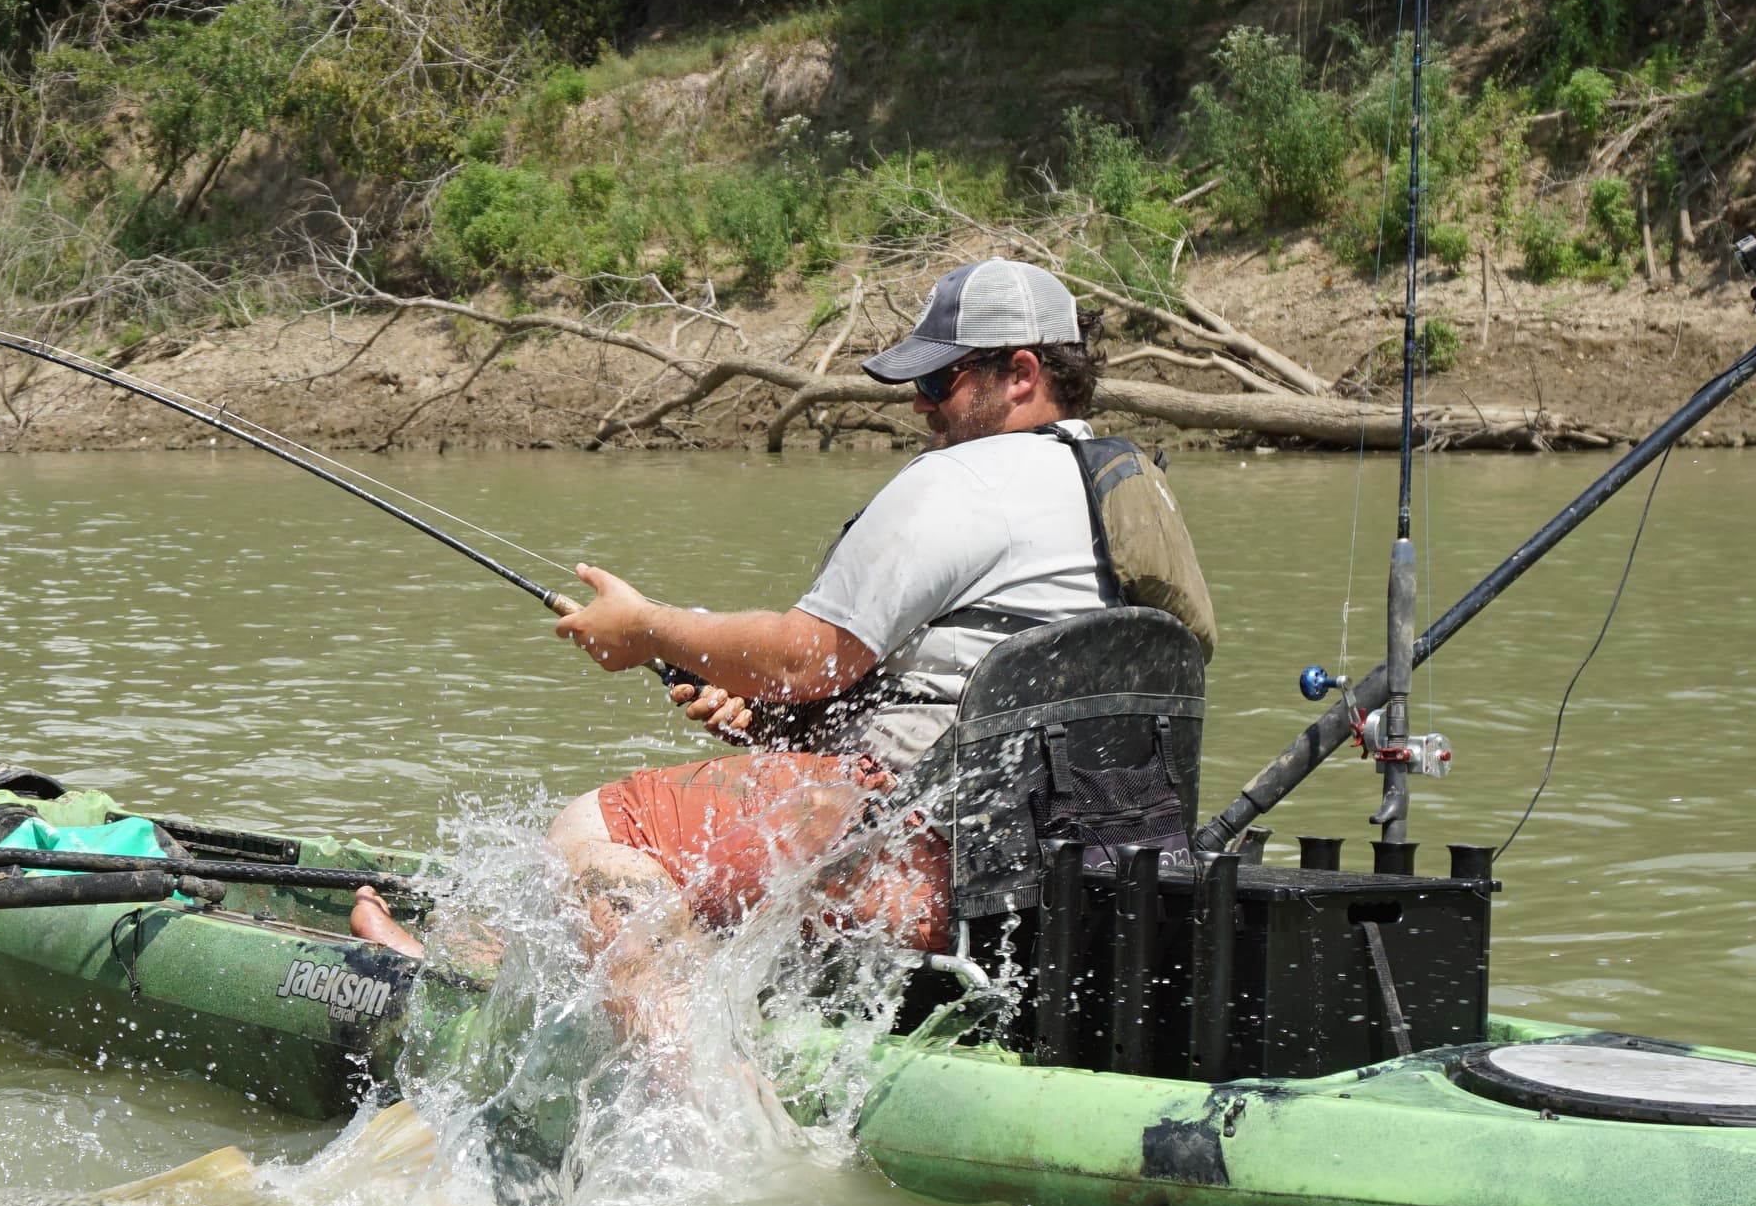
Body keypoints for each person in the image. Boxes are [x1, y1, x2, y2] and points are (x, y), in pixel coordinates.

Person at [349, 259, 1212, 991]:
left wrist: (648, 627)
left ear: (1020, 375)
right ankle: (513, 968)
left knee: (603, 833)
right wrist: (774, 722)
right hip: (1059, 872)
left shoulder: (964, 480)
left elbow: (809, 657)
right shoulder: (1125, 491)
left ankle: (685, 1104)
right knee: (702, 840)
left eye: (939, 380)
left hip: (917, 867)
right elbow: (964, 687)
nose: (920, 406)